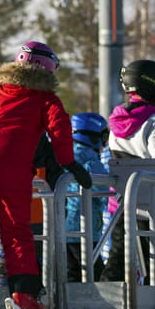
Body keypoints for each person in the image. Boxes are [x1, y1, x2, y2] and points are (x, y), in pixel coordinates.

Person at [0, 41, 90, 309]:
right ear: (47, 68)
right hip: (12, 173)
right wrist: (68, 163)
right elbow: (60, 127)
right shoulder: (44, 99)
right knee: (17, 234)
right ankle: (24, 296)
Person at [100, 59, 155, 283]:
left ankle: (108, 297)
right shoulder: (154, 121)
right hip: (150, 202)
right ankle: (154, 302)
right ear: (149, 86)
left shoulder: (116, 121)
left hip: (121, 200)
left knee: (119, 256)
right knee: (151, 259)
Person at [64, 112, 109, 282]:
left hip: (66, 227)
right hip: (84, 228)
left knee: (72, 273)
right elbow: (102, 185)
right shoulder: (90, 160)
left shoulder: (68, 154)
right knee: (94, 273)